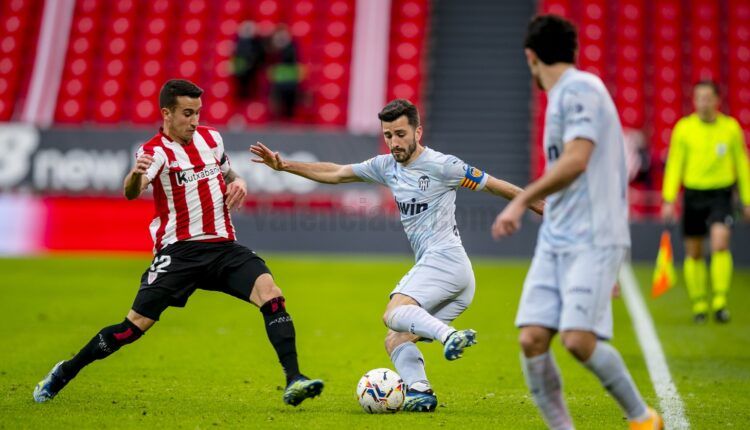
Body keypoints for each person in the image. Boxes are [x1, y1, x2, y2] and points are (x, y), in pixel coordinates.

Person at [33, 79, 323, 406]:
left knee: (272, 295)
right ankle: (64, 372)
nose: (194, 120)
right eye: (187, 113)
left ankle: (294, 379)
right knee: (132, 328)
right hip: (179, 252)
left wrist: (239, 181)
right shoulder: (154, 151)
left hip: (224, 248)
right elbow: (133, 190)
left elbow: (229, 173)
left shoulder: (211, 139)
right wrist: (133, 176)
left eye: (198, 112)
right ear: (167, 113)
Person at [250, 98, 544, 412]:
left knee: (393, 312)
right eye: (388, 135)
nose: (394, 142)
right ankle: (421, 392)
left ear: (418, 131)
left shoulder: (445, 166)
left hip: (445, 259)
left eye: (401, 134)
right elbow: (336, 172)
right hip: (453, 277)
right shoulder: (385, 167)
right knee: (395, 339)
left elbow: (495, 185)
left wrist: (541, 206)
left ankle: (450, 337)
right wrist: (285, 166)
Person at [491, 15, 662, 430]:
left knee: (577, 340)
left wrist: (521, 201)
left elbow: (577, 159)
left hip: (594, 236)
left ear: (530, 56)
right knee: (532, 338)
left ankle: (643, 420)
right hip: (558, 237)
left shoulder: (582, 89)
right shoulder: (560, 98)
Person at [661, 80, 750, 324]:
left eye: (708, 98)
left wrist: (747, 198)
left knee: (720, 243)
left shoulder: (730, 128)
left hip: (721, 194)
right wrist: (668, 198)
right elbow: (675, 164)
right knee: (694, 252)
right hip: (693, 194)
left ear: (717, 100)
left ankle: (720, 301)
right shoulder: (684, 128)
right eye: (699, 98)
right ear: (694, 101)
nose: (703, 102)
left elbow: (742, 164)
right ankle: (699, 303)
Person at [232, 21, 266, 100]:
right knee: (241, 87)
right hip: (241, 70)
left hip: (253, 69)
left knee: (253, 87)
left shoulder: (257, 42)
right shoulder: (238, 41)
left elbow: (260, 55)